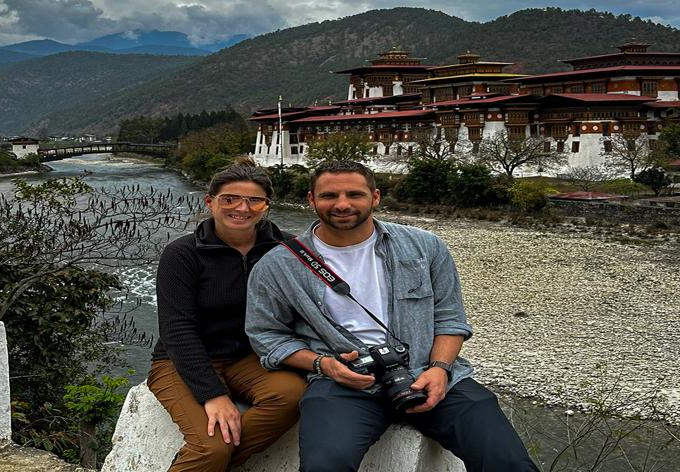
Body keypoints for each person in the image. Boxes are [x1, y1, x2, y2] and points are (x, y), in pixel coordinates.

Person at [246, 160, 539, 472]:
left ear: (375, 197)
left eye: (355, 194)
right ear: (311, 199)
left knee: (508, 462)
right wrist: (323, 364)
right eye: (329, 195)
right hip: (344, 382)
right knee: (324, 465)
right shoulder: (279, 264)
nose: (342, 204)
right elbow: (266, 334)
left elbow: (450, 318)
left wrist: (440, 370)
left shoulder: (424, 246)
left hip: (427, 371)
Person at [149, 157, 306, 472]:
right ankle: (209, 461)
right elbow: (177, 329)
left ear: (266, 206)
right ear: (210, 202)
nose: (242, 208)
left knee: (294, 396)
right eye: (230, 199)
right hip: (183, 360)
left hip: (251, 358)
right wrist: (213, 394)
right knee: (211, 448)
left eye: (254, 201)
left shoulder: (288, 249)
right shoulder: (183, 254)